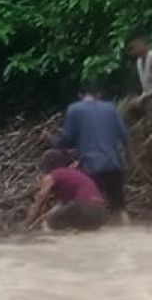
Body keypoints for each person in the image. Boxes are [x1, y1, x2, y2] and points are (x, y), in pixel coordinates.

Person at [53, 85, 131, 223]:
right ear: (99, 94)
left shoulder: (74, 109)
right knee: (119, 207)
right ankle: (128, 233)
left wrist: (53, 141)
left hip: (91, 166)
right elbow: (124, 135)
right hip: (114, 163)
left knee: (92, 206)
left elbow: (68, 138)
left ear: (80, 95)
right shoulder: (111, 108)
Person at [25, 150, 110, 233]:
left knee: (48, 223)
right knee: (69, 226)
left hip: (83, 207)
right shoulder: (73, 174)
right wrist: (38, 221)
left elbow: (40, 200)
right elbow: (59, 208)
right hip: (100, 214)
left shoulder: (52, 176)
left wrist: (27, 223)